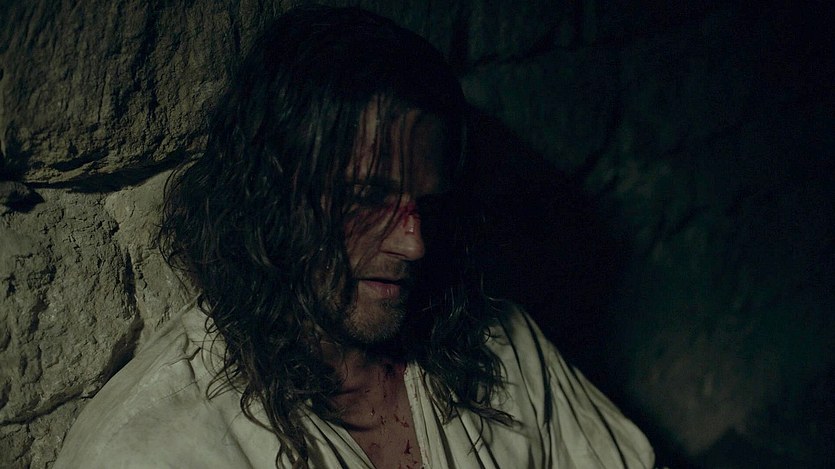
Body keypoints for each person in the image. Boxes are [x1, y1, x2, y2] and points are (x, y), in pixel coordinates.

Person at [55, 5, 655, 468]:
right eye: (368, 198)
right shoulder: (153, 448)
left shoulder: (500, 348)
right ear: (270, 190)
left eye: (426, 204)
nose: (414, 245)